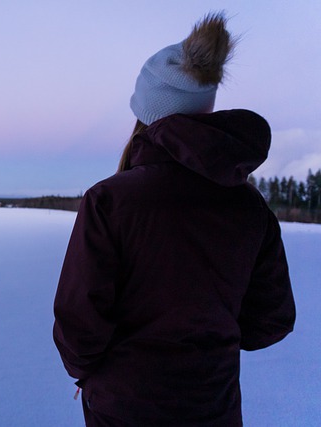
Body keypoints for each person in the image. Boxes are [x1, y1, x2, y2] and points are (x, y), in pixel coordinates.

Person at [53, 12, 296, 426]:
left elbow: (79, 329)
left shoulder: (110, 201)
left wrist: (95, 374)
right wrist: (208, 344)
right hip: (213, 408)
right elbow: (270, 320)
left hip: (124, 409)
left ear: (146, 115)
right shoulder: (250, 208)